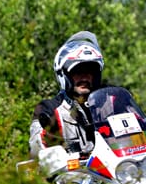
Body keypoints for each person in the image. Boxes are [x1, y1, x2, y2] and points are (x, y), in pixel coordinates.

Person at [29, 31, 104, 159]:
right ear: (64, 76)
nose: (85, 77)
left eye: (90, 71)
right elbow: (39, 154)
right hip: (73, 177)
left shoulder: (107, 105)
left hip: (117, 173)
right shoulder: (50, 111)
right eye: (78, 71)